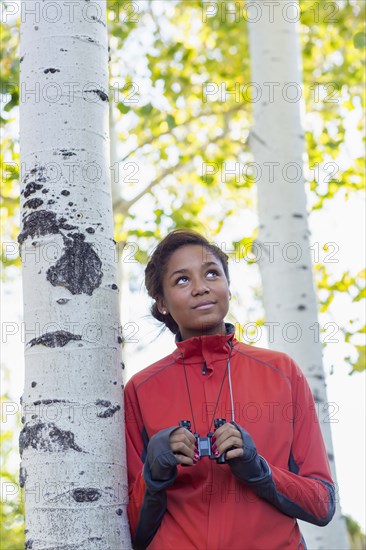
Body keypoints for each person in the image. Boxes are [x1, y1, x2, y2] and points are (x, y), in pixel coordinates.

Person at [124, 229, 335, 550]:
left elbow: (322, 504)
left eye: (212, 273)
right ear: (162, 303)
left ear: (228, 287)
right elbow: (131, 530)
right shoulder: (140, 389)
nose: (201, 288)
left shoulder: (282, 371)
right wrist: (154, 472)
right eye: (182, 280)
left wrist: (259, 469)